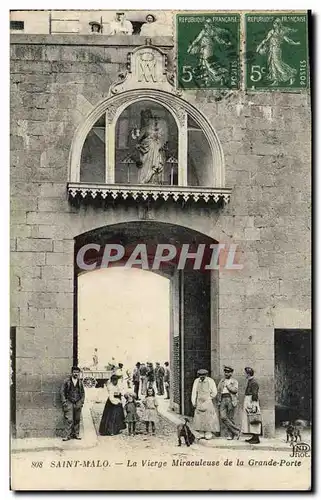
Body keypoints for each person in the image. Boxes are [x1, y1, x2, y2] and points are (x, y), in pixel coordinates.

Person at [256, 18, 300, 86]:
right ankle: (276, 81)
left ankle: (291, 76)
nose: (275, 25)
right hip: (271, 49)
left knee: (278, 64)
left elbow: (288, 40)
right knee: (272, 65)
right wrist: (262, 43)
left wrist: (295, 43)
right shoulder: (272, 32)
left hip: (277, 49)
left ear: (279, 25)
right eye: (274, 24)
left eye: (276, 24)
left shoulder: (282, 32)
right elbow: (266, 39)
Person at [135, 109, 168, 184]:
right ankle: (146, 180)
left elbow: (140, 138)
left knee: (154, 165)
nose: (146, 119)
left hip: (153, 149)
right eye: (145, 117)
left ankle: (151, 180)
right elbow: (139, 139)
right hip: (147, 151)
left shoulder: (149, 128)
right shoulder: (146, 128)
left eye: (148, 117)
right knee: (146, 166)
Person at [191, 368, 220, 440]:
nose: (202, 377)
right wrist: (193, 401)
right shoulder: (196, 381)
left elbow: (214, 391)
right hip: (199, 401)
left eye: (203, 375)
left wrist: (209, 398)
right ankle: (201, 432)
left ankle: (208, 432)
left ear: (206, 375)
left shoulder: (210, 381)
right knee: (199, 417)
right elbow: (194, 392)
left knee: (208, 417)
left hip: (207, 401)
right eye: (200, 375)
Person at [60, 366, 85, 441]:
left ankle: (76, 434)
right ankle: (67, 435)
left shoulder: (80, 382)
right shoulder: (67, 381)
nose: (76, 374)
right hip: (69, 402)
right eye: (74, 372)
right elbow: (62, 392)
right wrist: (64, 401)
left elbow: (83, 393)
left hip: (78, 402)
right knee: (69, 419)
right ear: (71, 373)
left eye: (77, 372)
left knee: (77, 419)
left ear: (79, 373)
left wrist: (81, 402)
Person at [217, 366, 240, 440]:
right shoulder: (222, 381)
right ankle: (236, 431)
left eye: (228, 372)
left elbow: (235, 390)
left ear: (231, 373)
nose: (226, 374)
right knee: (223, 417)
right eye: (225, 372)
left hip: (231, 399)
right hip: (223, 399)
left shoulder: (234, 381)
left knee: (230, 417)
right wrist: (219, 400)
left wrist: (228, 385)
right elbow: (219, 390)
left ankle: (230, 435)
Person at [241, 367, 262, 444]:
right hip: (249, 401)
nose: (244, 374)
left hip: (252, 401)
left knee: (254, 418)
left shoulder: (253, 382)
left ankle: (256, 438)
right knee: (250, 419)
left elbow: (255, 394)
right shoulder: (250, 381)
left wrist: (253, 405)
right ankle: (253, 436)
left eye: (245, 373)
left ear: (248, 374)